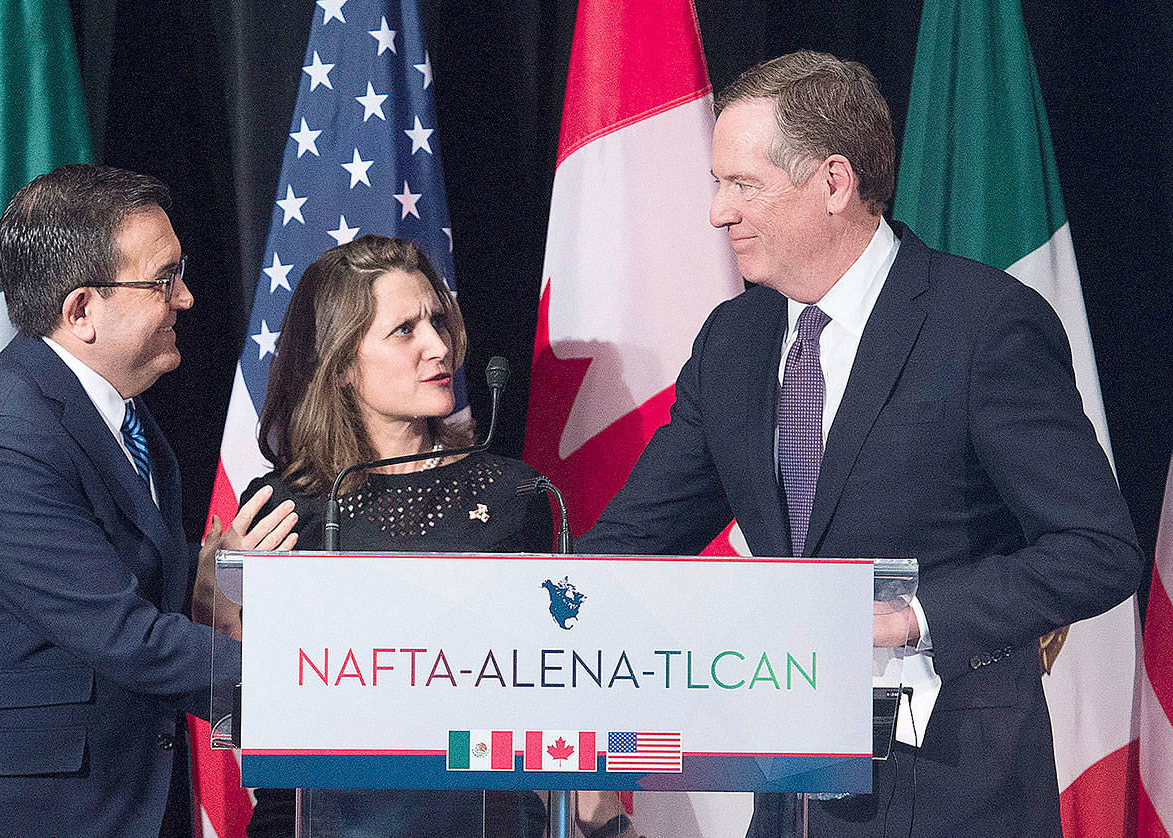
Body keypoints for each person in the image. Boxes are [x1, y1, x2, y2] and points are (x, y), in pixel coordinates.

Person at [574, 51, 1143, 837]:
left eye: (744, 185)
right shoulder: (734, 339)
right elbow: (637, 536)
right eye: (718, 184)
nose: (718, 212)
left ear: (833, 182)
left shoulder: (980, 325)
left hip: (951, 790)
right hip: (793, 791)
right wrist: (517, 616)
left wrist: (907, 617)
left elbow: (1097, 547)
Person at [0, 164, 297, 837]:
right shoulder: (6, 438)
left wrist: (191, 583)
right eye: (163, 279)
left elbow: (104, 589)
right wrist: (333, 684)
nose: (187, 297)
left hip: (103, 801)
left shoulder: (118, 418)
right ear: (82, 310)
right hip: (12, 817)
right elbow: (123, 636)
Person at [240, 235, 634, 838]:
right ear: (343, 364)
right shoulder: (290, 508)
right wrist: (229, 602)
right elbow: (259, 700)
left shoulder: (516, 495)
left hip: (493, 814)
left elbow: (574, 667)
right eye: (405, 330)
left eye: (438, 321)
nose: (438, 345)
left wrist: (606, 788)